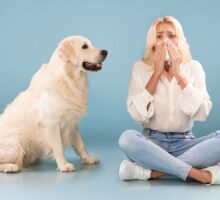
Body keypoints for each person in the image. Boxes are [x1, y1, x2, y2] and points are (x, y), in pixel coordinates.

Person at [118, 16, 220, 185]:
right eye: (159, 36)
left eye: (171, 36)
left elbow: (202, 113)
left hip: (186, 143)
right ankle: (199, 174)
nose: (165, 41)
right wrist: (156, 74)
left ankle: (154, 172)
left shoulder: (194, 67)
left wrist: (179, 74)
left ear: (179, 40)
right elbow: (137, 115)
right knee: (126, 138)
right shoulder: (140, 68)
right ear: (152, 42)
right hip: (151, 144)